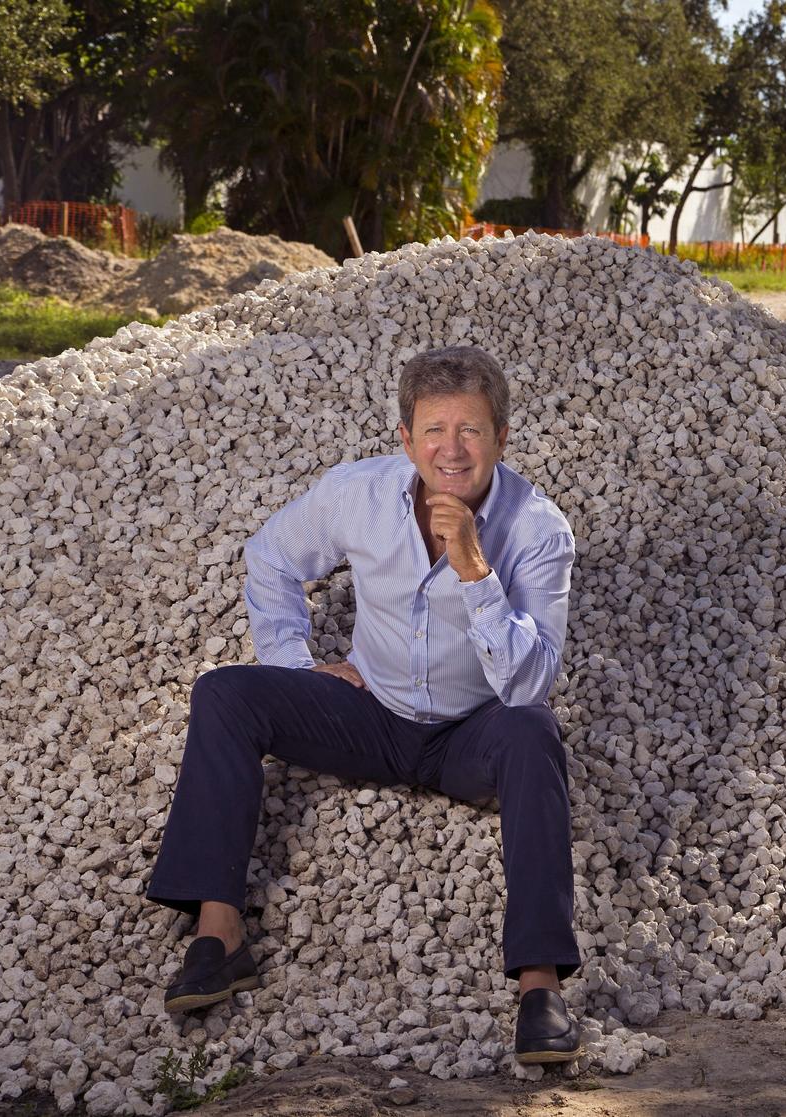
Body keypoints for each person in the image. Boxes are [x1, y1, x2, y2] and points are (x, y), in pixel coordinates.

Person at [146, 345, 583, 1065]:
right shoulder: (359, 493)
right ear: (405, 439)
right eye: (433, 430)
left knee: (534, 731)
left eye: (471, 430)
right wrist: (299, 666)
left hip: (469, 735)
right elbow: (272, 557)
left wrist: (476, 571)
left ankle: (540, 986)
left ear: (502, 438)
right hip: (369, 712)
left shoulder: (539, 529)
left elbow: (528, 683)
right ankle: (219, 932)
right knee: (222, 692)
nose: (451, 449)